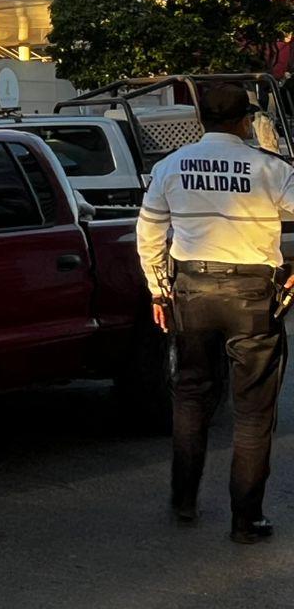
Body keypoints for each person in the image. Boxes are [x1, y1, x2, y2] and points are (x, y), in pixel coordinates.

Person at [138, 82, 294, 544]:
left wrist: (159, 293)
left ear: (199, 120)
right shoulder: (270, 168)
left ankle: (183, 500)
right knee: (252, 414)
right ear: (245, 120)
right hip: (253, 297)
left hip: (193, 292)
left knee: (190, 397)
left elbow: (149, 237)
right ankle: (245, 522)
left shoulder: (170, 166)